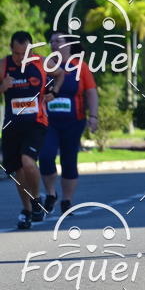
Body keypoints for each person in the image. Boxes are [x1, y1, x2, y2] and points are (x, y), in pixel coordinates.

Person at [0, 31, 61, 229]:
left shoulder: (41, 62)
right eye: (17, 54)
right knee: (18, 170)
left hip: (36, 122)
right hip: (12, 125)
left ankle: (36, 202)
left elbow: (61, 74)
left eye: (25, 53)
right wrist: (3, 86)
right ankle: (26, 210)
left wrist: (54, 91)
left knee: (28, 162)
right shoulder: (4, 65)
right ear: (11, 50)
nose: (21, 58)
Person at [39, 31, 98, 215]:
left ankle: (67, 201)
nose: (54, 44)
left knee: (69, 161)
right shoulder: (46, 65)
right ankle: (51, 194)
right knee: (46, 157)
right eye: (52, 41)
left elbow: (91, 92)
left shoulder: (81, 67)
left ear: (68, 44)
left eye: (58, 41)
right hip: (48, 122)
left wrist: (93, 116)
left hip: (74, 122)